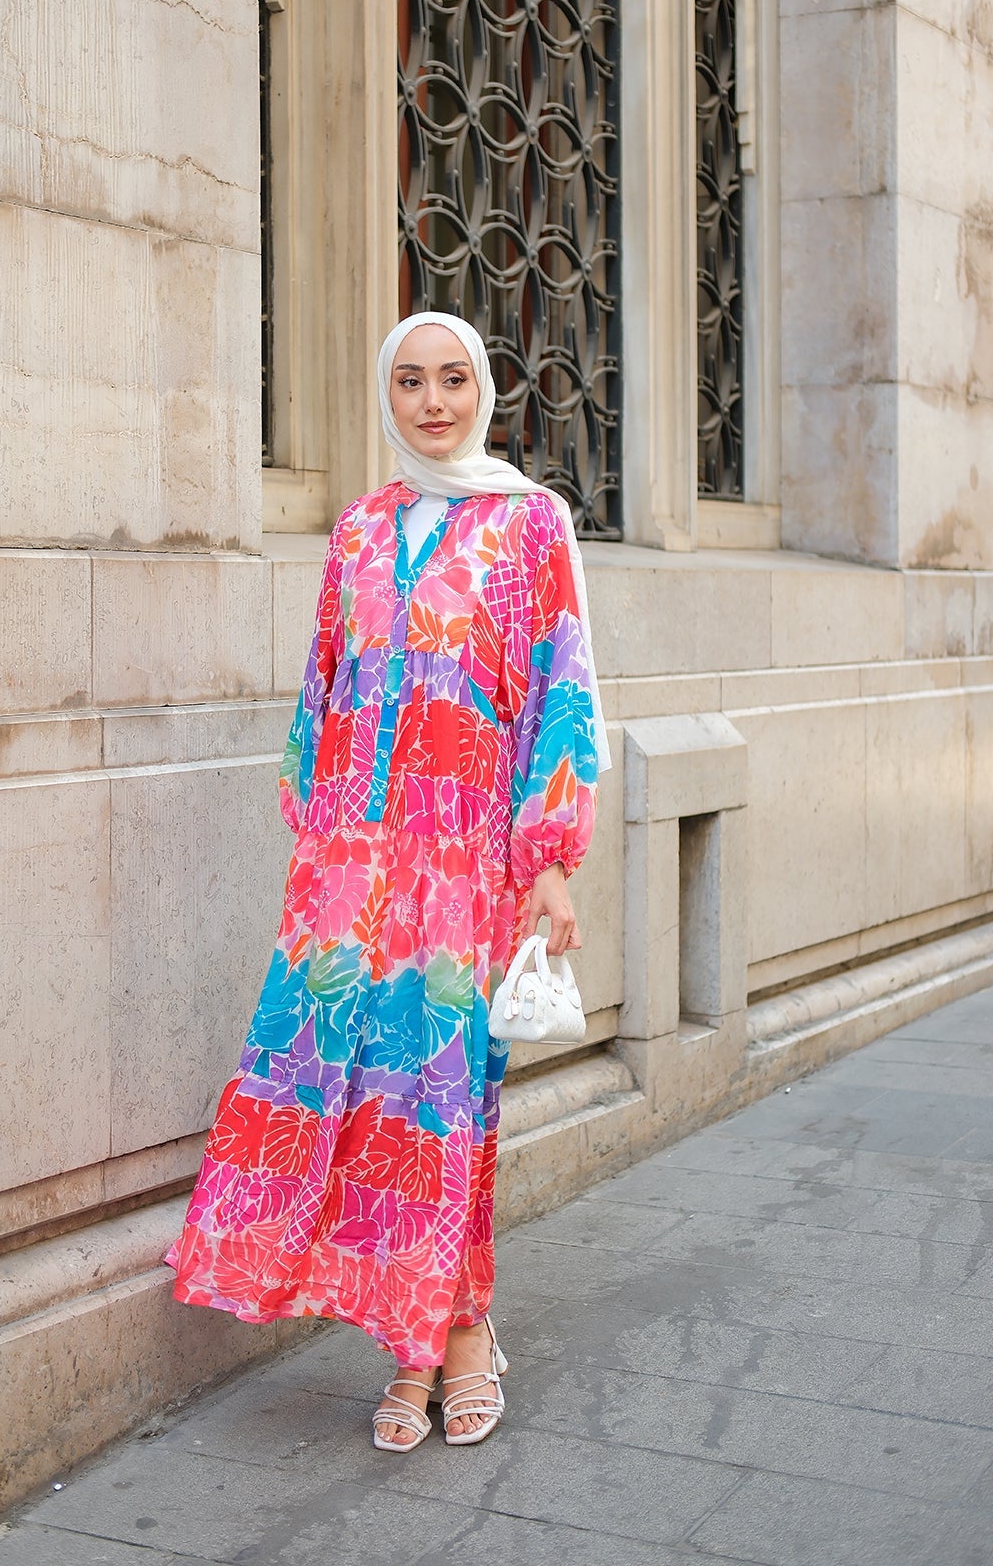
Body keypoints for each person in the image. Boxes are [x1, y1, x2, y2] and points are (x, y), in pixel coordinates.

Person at [165, 311, 609, 1451]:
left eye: (453, 379)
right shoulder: (359, 531)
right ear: (387, 395)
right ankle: (424, 1341)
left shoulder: (528, 525)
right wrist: (318, 842)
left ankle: (451, 1342)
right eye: (410, 382)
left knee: (442, 1108)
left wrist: (549, 857)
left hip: (463, 868)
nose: (432, 402)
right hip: (348, 877)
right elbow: (321, 693)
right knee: (361, 1110)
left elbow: (561, 687)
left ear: (484, 391)